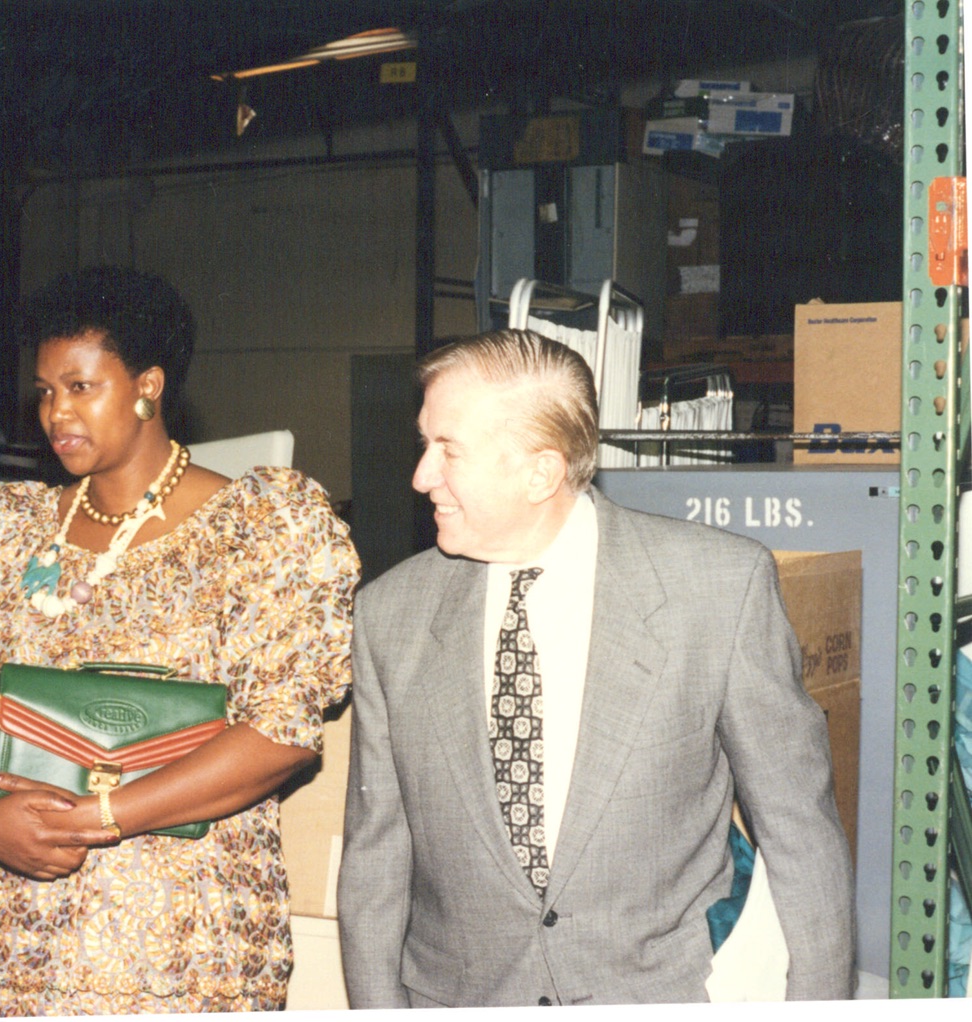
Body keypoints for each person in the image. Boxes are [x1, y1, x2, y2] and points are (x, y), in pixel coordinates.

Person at [337, 329, 854, 1006]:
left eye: (449, 450)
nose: (421, 476)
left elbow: (800, 832)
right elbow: (374, 864)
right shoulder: (391, 617)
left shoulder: (717, 590)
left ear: (541, 473)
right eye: (424, 443)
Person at [0, 265, 358, 1015]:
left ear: (148, 386)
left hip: (189, 939)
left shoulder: (263, 530)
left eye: (81, 386)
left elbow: (283, 731)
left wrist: (104, 816)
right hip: (20, 935)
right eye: (45, 391)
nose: (56, 412)